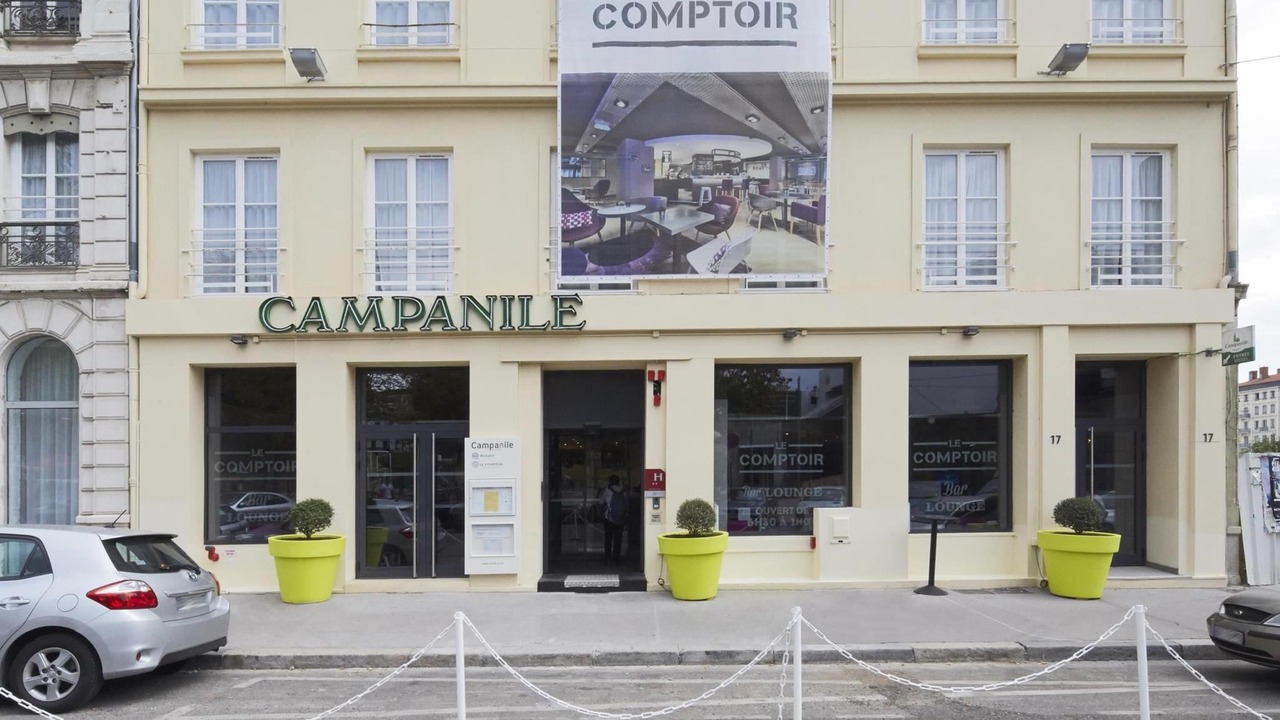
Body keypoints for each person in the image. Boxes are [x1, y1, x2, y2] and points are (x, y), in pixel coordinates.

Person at [601, 475, 627, 565]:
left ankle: (607, 558)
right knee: (618, 539)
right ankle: (616, 559)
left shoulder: (608, 490)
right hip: (620, 517)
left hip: (609, 517)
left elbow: (601, 501)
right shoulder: (623, 491)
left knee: (608, 539)